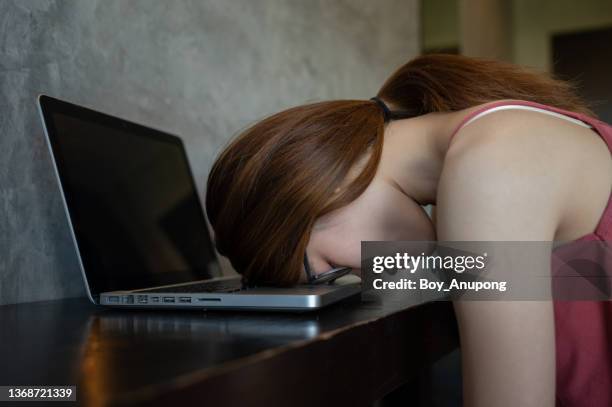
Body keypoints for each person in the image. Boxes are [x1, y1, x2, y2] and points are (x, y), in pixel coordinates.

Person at [205, 54, 612, 406]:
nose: (366, 278)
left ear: (321, 190)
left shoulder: (488, 171)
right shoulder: (498, 136)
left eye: (326, 269)